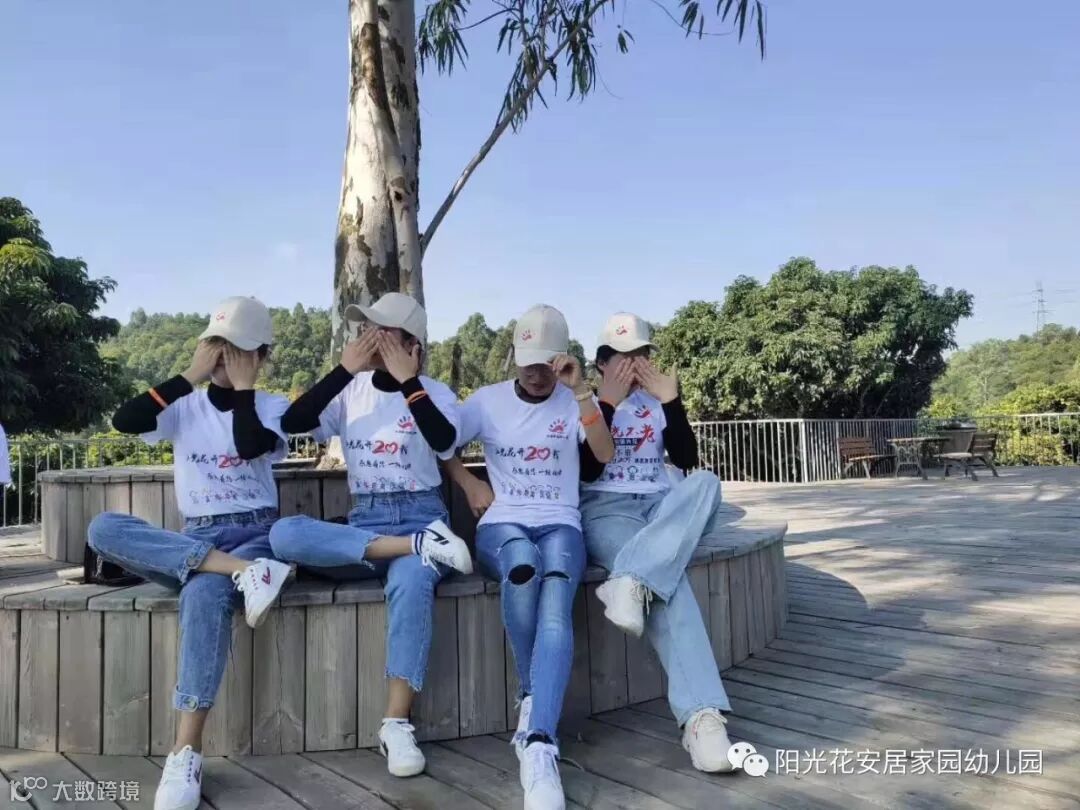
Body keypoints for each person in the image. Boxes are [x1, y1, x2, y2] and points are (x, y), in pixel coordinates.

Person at [86, 296, 294, 810]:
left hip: (255, 530)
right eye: (218, 346)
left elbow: (250, 446)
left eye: (237, 349)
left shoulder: (271, 406)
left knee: (202, 594)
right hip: (197, 538)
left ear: (260, 355)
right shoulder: (184, 404)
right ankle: (247, 573)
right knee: (102, 528)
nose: (225, 358)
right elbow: (124, 421)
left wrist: (243, 389)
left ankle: (185, 751)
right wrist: (188, 375)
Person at [268, 292, 473, 778]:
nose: (372, 339)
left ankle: (396, 724)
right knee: (283, 534)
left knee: (412, 581)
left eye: (385, 331)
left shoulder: (435, 392)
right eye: (368, 329)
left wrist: (409, 381)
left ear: (412, 342)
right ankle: (417, 548)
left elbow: (444, 440)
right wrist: (343, 369)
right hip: (367, 522)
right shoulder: (350, 390)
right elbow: (292, 423)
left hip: (422, 513)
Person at [446, 304, 618, 810]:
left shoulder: (574, 399)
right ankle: (533, 696)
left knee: (556, 599)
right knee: (522, 565)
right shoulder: (486, 401)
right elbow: (441, 442)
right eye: (527, 362)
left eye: (546, 363)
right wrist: (469, 482)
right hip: (503, 523)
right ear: (514, 357)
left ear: (562, 358)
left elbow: (604, 453)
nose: (536, 373)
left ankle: (539, 739)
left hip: (561, 522)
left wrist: (582, 392)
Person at [579, 312, 734, 773]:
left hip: (663, 508)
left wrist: (673, 401)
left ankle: (630, 580)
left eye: (642, 355)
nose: (634, 366)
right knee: (670, 584)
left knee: (706, 483)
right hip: (607, 509)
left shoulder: (655, 402)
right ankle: (702, 718)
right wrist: (607, 402)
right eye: (622, 357)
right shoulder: (581, 401)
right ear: (602, 362)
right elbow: (587, 469)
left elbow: (686, 458)